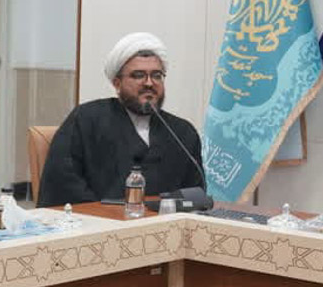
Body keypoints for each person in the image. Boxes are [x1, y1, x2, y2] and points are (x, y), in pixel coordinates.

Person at [37, 32, 203, 208]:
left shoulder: (183, 133)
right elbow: (63, 184)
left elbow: (195, 197)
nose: (149, 83)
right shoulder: (86, 119)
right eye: (138, 75)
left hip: (166, 224)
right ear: (117, 83)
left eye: (156, 75)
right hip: (100, 222)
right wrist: (107, 216)